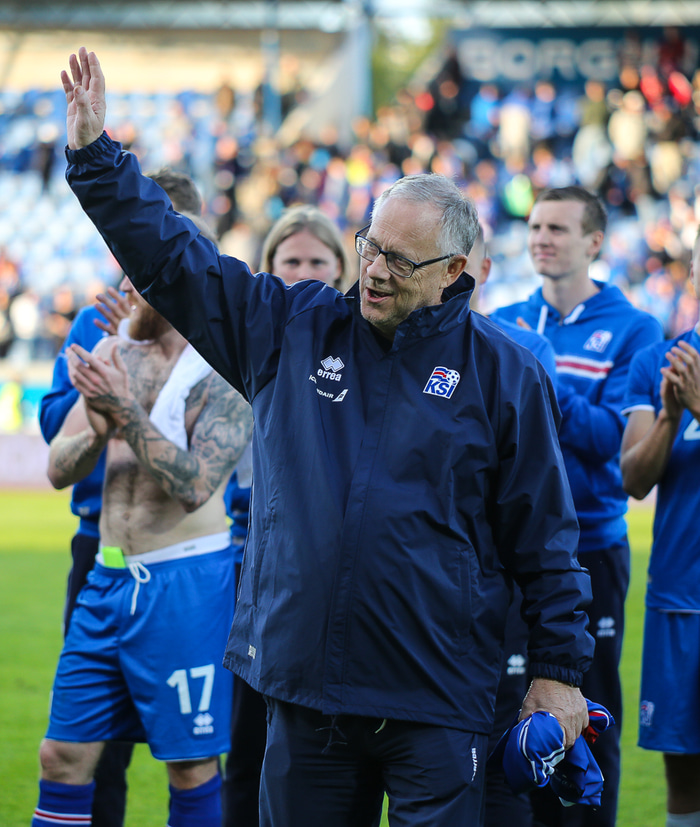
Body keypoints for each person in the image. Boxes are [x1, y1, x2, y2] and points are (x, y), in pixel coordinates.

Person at [61, 48, 594, 826]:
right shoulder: (291, 325)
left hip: (439, 697)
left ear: (453, 271)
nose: (373, 270)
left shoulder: (505, 372)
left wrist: (556, 671)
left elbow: (545, 535)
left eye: (399, 261)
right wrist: (95, 157)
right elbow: (178, 262)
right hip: (308, 693)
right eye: (369, 245)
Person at [32, 254, 254, 825]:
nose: (126, 286)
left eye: (141, 273)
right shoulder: (114, 350)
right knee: (62, 755)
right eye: (126, 271)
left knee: (191, 766)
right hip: (107, 581)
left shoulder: (226, 365)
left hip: (185, 583)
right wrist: (97, 432)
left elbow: (197, 485)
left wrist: (125, 412)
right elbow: (59, 468)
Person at [38, 168, 207, 827]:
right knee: (85, 747)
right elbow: (59, 431)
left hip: (190, 556)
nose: (138, 245)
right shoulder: (93, 320)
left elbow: (205, 473)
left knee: (193, 752)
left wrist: (150, 357)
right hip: (101, 548)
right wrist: (119, 352)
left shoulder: (221, 322)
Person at [491, 186, 664, 827]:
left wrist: (539, 376)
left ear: (594, 242)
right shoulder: (505, 316)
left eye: (558, 228)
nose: (541, 237)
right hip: (509, 549)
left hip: (591, 544)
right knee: (515, 705)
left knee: (589, 716)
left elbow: (616, 451)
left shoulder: (634, 329)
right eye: (535, 226)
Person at [223, 203, 351, 827]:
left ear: (344, 267)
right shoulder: (250, 349)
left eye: (317, 261)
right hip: (250, 576)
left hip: (319, 591)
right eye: (289, 260)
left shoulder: (354, 360)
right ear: (267, 268)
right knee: (245, 749)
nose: (303, 272)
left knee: (317, 762)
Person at [467, 226, 555, 827]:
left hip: (497, 588)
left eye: (460, 261)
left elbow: (539, 491)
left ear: (484, 269)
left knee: (501, 761)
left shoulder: (520, 353)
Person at [620, 228, 700, 827]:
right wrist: (672, 417)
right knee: (683, 775)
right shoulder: (661, 361)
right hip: (678, 598)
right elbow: (634, 479)